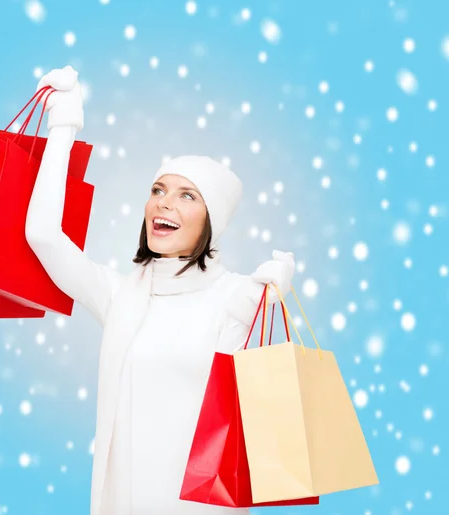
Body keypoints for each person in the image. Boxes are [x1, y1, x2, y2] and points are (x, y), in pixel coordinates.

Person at [25, 65, 296, 515]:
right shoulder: (121, 296)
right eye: (158, 189)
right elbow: (43, 237)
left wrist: (270, 305)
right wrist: (63, 125)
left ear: (213, 223)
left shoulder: (235, 298)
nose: (165, 202)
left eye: (188, 195)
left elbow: (262, 414)